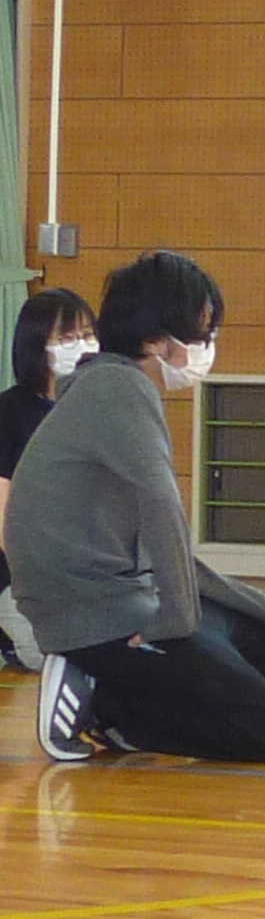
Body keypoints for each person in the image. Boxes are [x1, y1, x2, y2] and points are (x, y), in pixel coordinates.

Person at [6, 251, 265, 762]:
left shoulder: (116, 385)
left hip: (121, 596)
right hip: (92, 613)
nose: (205, 348)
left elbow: (171, 553)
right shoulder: (119, 393)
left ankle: (113, 691)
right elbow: (166, 515)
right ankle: (104, 703)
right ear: (153, 340)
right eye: (198, 335)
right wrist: (174, 622)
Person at [0, 288, 99, 671]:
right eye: (67, 337)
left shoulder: (94, 407)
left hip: (84, 568)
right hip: (24, 573)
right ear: (37, 344)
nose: (83, 345)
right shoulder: (9, 413)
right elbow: (5, 520)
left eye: (88, 334)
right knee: (53, 656)